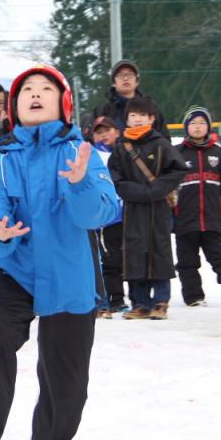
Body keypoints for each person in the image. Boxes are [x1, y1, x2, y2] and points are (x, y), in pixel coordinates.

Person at [0, 65, 120, 440]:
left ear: (63, 104)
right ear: (14, 104)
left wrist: (80, 184)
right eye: (27, 89)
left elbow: (103, 212)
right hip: (17, 269)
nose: (36, 93)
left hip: (70, 276)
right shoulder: (1, 162)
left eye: (46, 88)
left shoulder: (82, 153)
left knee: (67, 375)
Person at [108, 96, 186, 320]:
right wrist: (136, 191)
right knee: (134, 251)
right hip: (133, 209)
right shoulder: (121, 148)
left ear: (151, 119)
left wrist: (157, 189)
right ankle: (140, 303)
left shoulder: (161, 143)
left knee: (160, 250)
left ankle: (161, 302)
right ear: (127, 119)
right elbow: (114, 177)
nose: (138, 119)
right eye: (133, 115)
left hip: (158, 208)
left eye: (143, 115)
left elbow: (178, 169)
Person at [174, 106, 221, 309]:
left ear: (208, 126)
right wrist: (172, 214)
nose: (197, 127)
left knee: (220, 256)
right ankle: (193, 296)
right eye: (193, 123)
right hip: (185, 219)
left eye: (202, 123)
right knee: (186, 261)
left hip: (212, 218)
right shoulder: (177, 153)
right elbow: (169, 187)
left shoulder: (218, 153)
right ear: (186, 127)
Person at [90, 116, 126, 317]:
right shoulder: (93, 154)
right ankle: (101, 301)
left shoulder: (124, 152)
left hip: (120, 214)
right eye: (99, 132)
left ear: (118, 132)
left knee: (117, 260)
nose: (104, 135)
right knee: (101, 260)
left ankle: (117, 299)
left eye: (107, 130)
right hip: (101, 217)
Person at [94, 59, 169, 140]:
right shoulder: (104, 110)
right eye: (120, 75)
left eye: (130, 75)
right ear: (113, 83)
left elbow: (164, 137)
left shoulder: (150, 107)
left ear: (137, 81)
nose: (125, 78)